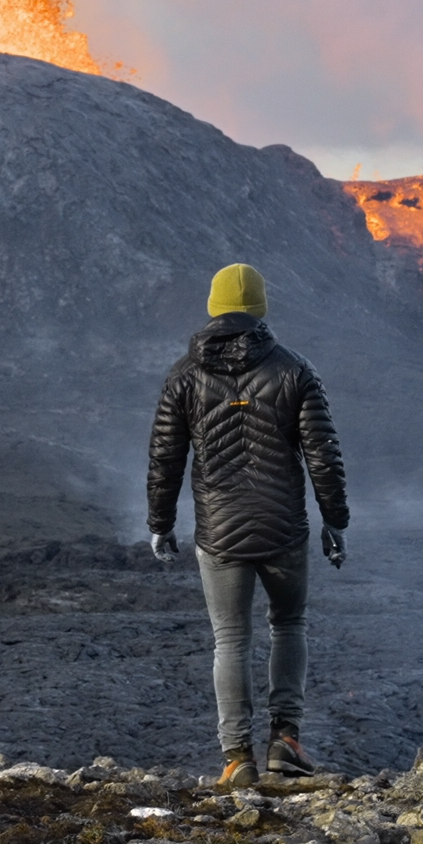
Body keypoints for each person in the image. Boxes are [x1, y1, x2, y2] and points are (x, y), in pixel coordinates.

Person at [146, 262, 349, 787]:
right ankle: (286, 741)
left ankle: (236, 758)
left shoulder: (183, 375)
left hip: (219, 531)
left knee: (230, 639)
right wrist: (335, 520)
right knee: (289, 625)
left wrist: (160, 522)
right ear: (260, 306)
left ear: (214, 306)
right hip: (283, 526)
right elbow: (322, 454)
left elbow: (165, 457)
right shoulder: (294, 370)